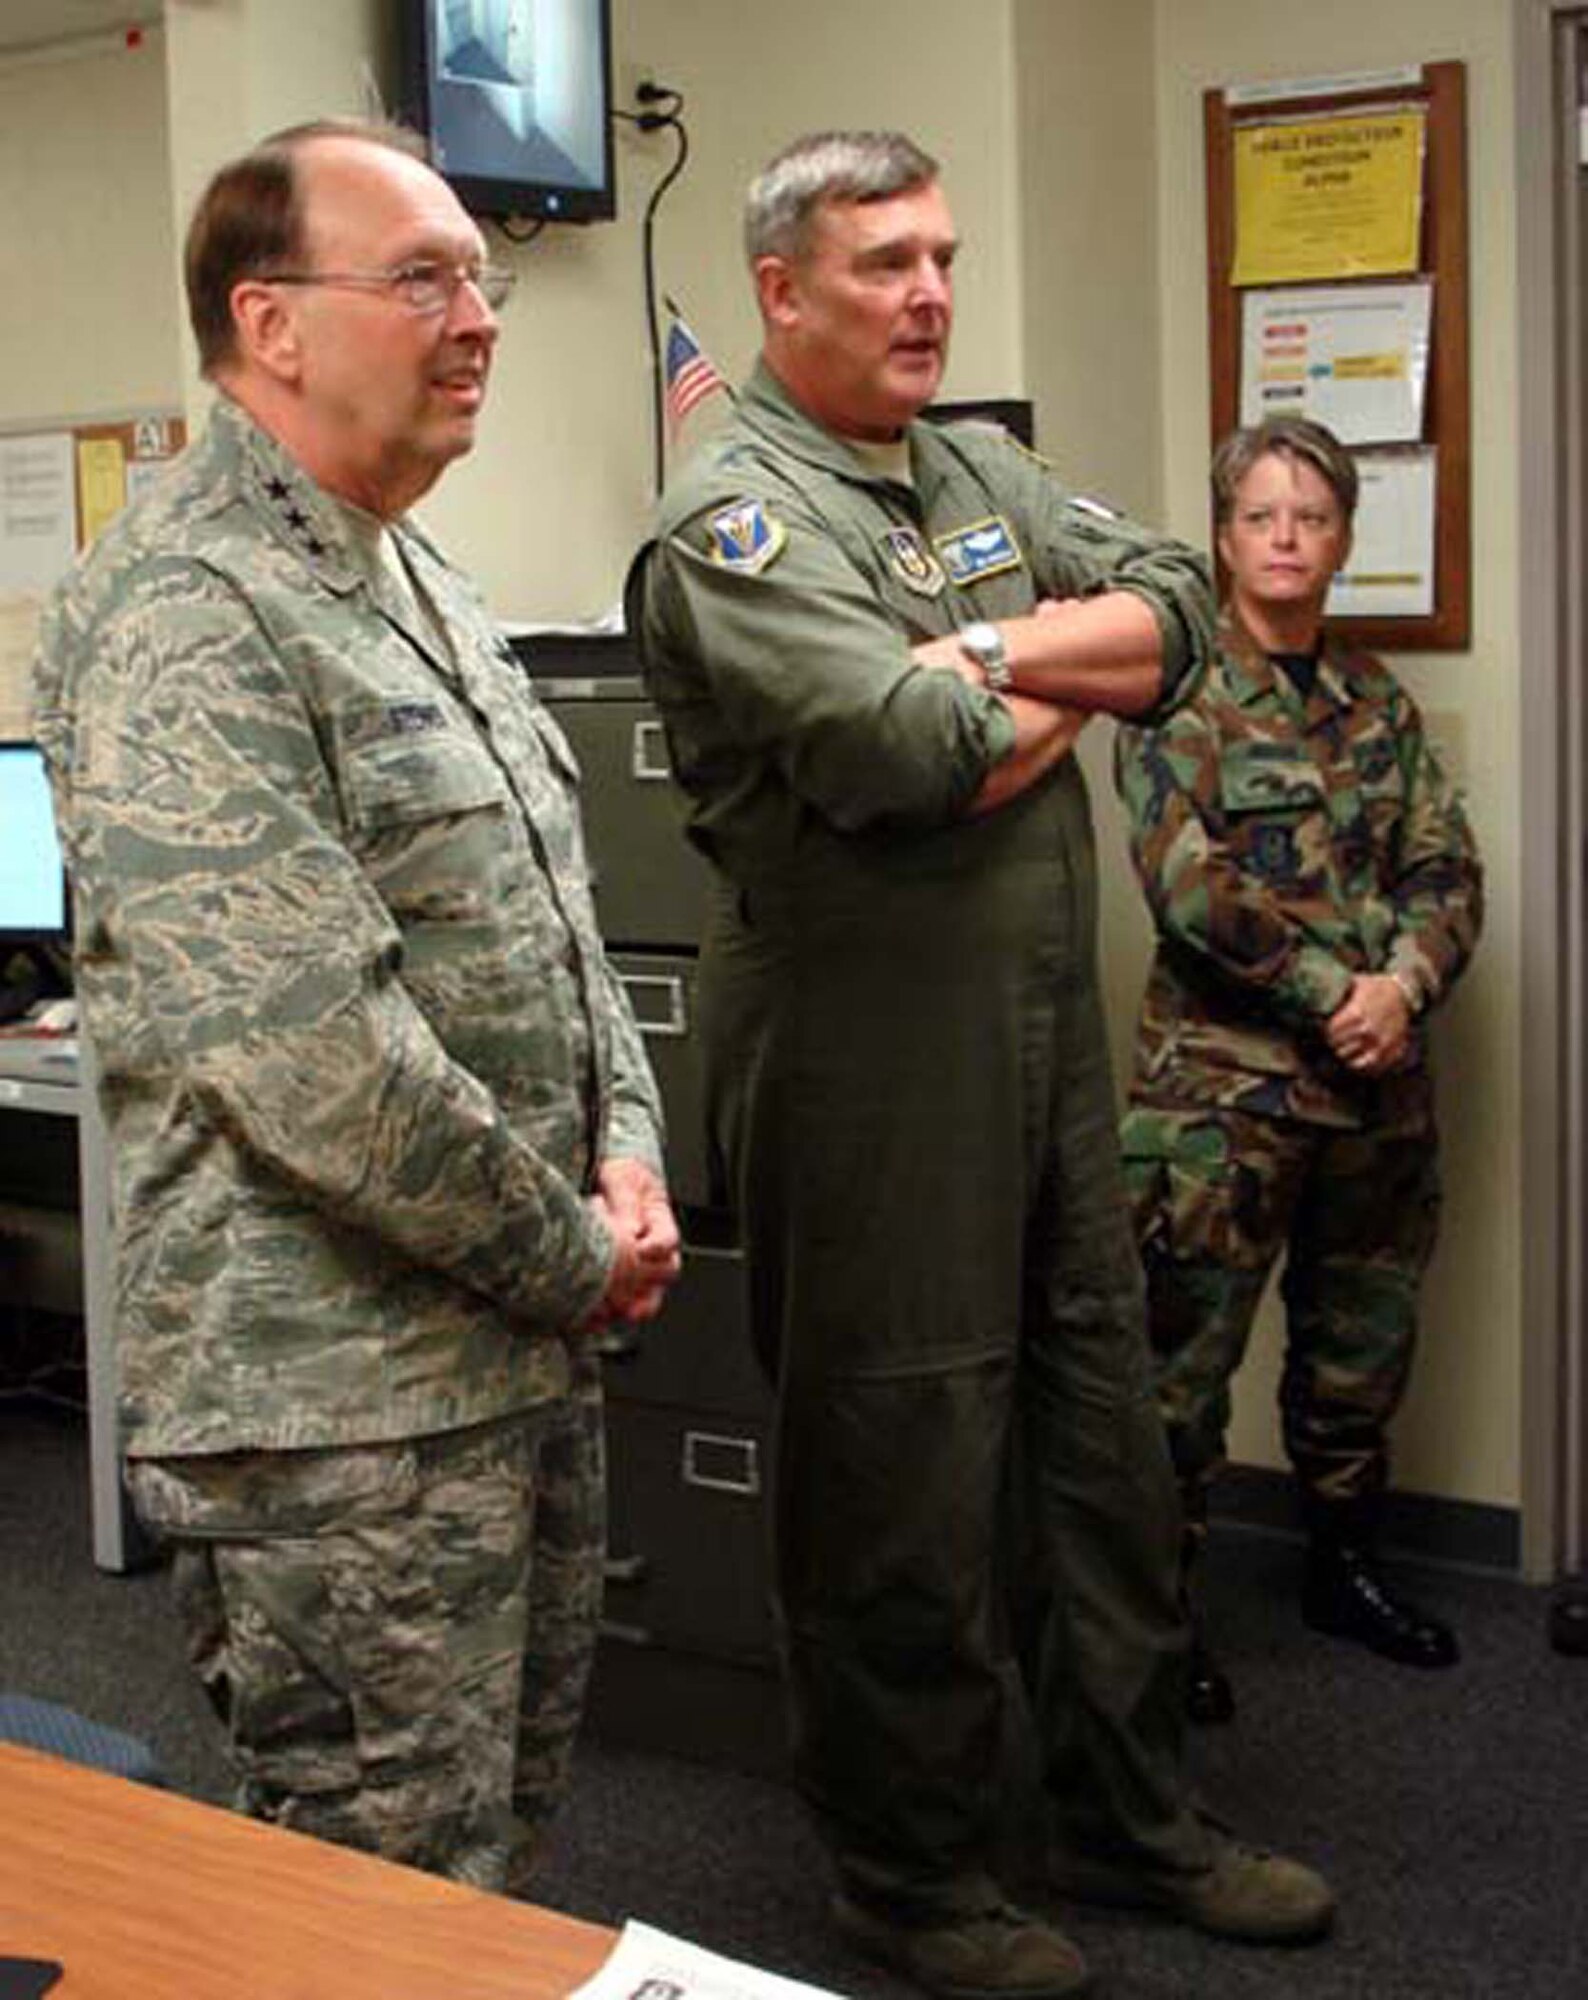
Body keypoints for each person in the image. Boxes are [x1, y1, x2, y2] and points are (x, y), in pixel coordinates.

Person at [631, 130, 1333, 2000]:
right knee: (899, 1470)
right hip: (869, 1063)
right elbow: (898, 753)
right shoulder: (735, 516)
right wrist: (1043, 692)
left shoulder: (974, 465)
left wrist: (999, 647)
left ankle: (1119, 1810)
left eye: (941, 256)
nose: (930, 292)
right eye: (884, 264)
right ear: (784, 291)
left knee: (1095, 1437)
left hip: (1036, 1043)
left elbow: (1183, 612)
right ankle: (911, 1873)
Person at [31, 120, 681, 1890]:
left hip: (503, 1357)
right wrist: (577, 1253)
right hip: (338, 1414)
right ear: (274, 323)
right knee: (368, 1900)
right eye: (423, 276)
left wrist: (628, 1148)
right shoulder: (188, 606)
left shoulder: (417, 578)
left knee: (484, 1866)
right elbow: (317, 1059)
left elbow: (560, 920)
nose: (477, 314)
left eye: (480, 276)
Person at [1115, 416, 1483, 1725]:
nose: (1285, 540)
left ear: (1340, 540)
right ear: (1223, 537)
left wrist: (1406, 988)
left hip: (1375, 1102)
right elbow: (1188, 889)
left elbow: (1449, 872)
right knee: (1175, 1383)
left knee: (1357, 1350)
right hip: (1224, 1104)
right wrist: (1340, 995)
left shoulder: (1375, 704)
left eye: (1311, 518)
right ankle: (1155, 1631)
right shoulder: (1176, 691)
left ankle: (1344, 1568)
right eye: (1261, 516)